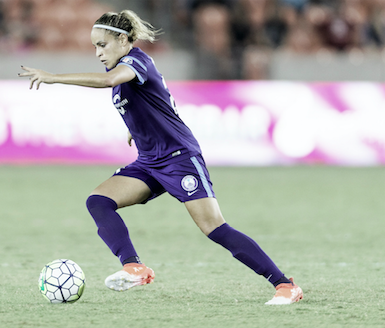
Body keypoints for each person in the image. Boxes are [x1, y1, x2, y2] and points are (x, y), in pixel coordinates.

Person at [19, 10, 303, 305]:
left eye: (102, 45)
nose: (97, 52)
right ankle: (134, 268)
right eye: (94, 46)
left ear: (122, 39)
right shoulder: (122, 69)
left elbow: (112, 82)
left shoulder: (134, 62)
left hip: (178, 157)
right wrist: (136, 130)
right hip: (150, 160)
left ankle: (285, 285)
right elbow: (153, 104)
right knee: (99, 201)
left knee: (214, 228)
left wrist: (53, 78)